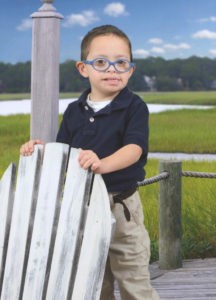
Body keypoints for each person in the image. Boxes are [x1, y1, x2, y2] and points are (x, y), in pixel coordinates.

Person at [20, 24, 159, 300]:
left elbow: (134, 148)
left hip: (121, 207)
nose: (112, 70)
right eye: (101, 62)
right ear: (83, 68)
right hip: (81, 208)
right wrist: (41, 150)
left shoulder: (134, 107)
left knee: (133, 278)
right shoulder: (74, 111)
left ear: (131, 70)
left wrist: (102, 164)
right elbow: (65, 153)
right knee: (93, 281)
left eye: (121, 63)